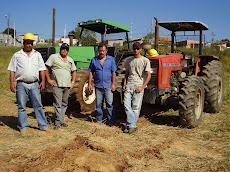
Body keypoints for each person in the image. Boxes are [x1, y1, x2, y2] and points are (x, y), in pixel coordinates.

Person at [7, 33, 51, 135]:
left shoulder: (37, 54)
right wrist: (12, 84)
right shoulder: (17, 55)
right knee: (22, 106)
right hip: (21, 84)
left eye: (31, 43)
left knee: (38, 105)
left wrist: (43, 81)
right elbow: (12, 70)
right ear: (24, 43)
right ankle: (23, 127)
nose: (29, 45)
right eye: (27, 43)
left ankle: (43, 126)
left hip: (35, 84)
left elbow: (42, 69)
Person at [45, 43, 77, 130]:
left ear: (68, 51)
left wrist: (72, 82)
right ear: (60, 49)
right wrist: (49, 80)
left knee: (64, 103)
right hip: (58, 85)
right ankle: (57, 123)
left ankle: (61, 120)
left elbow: (74, 71)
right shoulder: (54, 57)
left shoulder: (70, 59)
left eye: (66, 49)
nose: (64, 50)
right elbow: (46, 67)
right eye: (63, 48)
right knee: (57, 104)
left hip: (67, 86)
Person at [123, 42, 151, 134]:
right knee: (127, 106)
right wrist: (124, 85)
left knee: (135, 107)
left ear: (141, 49)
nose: (136, 50)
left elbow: (148, 75)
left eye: (137, 48)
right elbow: (126, 74)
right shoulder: (129, 60)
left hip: (138, 85)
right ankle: (132, 125)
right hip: (129, 85)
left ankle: (130, 126)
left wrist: (142, 87)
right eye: (134, 48)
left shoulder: (145, 60)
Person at [88, 43, 117, 125]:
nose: (101, 52)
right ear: (98, 51)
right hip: (98, 86)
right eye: (100, 51)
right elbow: (90, 72)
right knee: (99, 104)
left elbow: (114, 72)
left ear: (106, 51)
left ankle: (111, 121)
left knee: (109, 104)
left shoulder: (111, 60)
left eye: (103, 51)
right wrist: (89, 84)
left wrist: (113, 84)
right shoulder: (94, 60)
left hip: (108, 85)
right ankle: (99, 121)